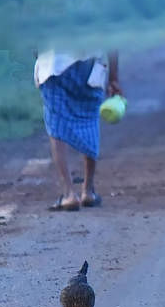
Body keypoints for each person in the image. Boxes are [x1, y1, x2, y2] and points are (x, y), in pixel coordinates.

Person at [35, 50, 121, 211]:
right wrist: (114, 78)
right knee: (89, 119)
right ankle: (88, 190)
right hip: (89, 63)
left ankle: (68, 194)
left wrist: (38, 58)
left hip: (54, 64)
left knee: (56, 124)